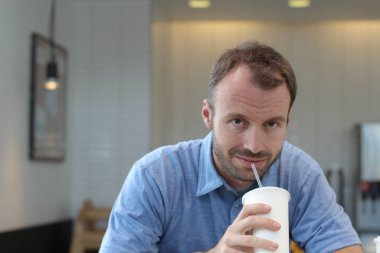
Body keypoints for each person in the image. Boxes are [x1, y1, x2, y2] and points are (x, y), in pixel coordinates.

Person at [99, 41, 363, 253]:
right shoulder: (155, 177)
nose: (255, 146)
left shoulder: (300, 174)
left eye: (272, 124)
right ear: (208, 115)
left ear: (287, 121)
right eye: (238, 121)